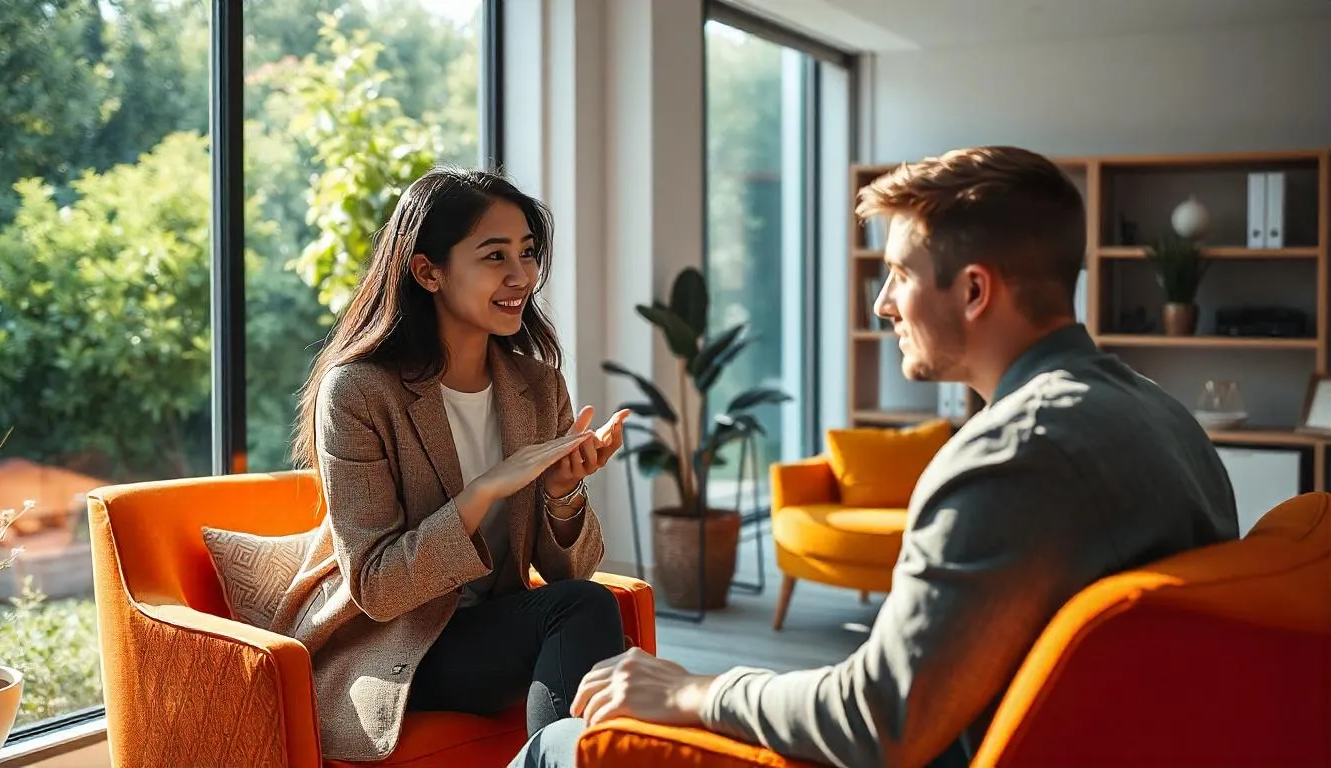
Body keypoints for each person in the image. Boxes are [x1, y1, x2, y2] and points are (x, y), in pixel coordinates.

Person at [509, 145, 1239, 768]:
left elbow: (877, 719)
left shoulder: (1014, 455)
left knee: (559, 744)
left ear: (975, 290)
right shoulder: (1162, 416)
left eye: (900, 274)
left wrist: (690, 689)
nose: (884, 303)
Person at [272, 167, 631, 763]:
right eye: (495, 256)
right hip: (404, 650)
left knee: (590, 612)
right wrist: (484, 492)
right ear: (428, 271)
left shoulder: (537, 386)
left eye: (529, 253)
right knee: (591, 623)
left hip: (491, 631)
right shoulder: (359, 392)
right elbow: (377, 588)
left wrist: (562, 495)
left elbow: (572, 573)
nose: (523, 276)